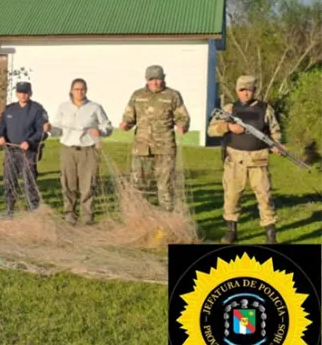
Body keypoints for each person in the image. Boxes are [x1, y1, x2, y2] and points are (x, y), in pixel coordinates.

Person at [207, 75, 282, 244]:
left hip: (258, 160)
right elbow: (211, 130)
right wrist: (228, 127)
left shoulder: (266, 109)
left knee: (265, 196)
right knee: (232, 196)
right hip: (235, 161)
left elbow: (274, 131)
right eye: (242, 90)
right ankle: (231, 231)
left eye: (249, 90)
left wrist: (276, 145)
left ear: (255, 91)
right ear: (237, 91)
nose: (245, 94)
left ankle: (270, 234)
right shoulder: (229, 109)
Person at [119, 64, 190, 212]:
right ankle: (140, 216)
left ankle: (167, 217)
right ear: (146, 80)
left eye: (158, 79)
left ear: (163, 79)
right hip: (142, 147)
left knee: (165, 185)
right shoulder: (137, 95)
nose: (155, 83)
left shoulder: (172, 95)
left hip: (165, 148)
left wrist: (182, 125)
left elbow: (182, 116)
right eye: (152, 79)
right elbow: (129, 115)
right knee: (139, 184)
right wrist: (126, 124)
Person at [47, 78, 113, 225]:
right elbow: (57, 130)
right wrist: (50, 128)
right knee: (68, 183)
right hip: (68, 149)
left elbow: (108, 127)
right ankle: (70, 215)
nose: (79, 92)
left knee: (88, 184)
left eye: (82, 89)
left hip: (88, 150)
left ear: (86, 90)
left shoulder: (95, 107)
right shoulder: (63, 107)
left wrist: (100, 131)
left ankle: (88, 216)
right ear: (71, 91)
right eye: (76, 89)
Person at [0, 81, 49, 215]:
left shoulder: (37, 109)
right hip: (11, 151)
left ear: (30, 93)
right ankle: (9, 209)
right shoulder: (9, 109)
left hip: (28, 152)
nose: (23, 95)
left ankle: (34, 210)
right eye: (20, 92)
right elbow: (1, 126)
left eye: (25, 92)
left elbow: (42, 132)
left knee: (29, 181)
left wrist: (30, 142)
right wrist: (1, 136)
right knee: (9, 180)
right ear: (16, 93)